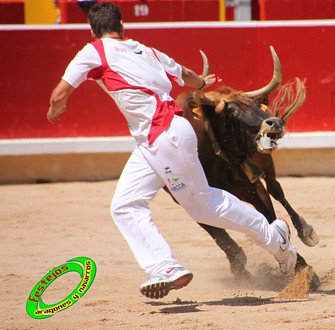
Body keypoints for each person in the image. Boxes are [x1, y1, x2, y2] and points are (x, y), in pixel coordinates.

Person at [47, 2, 297, 299]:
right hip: (154, 139)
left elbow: (60, 92)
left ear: (92, 30)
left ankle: (275, 237)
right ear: (123, 25)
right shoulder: (146, 50)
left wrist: (55, 107)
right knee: (125, 205)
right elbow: (188, 75)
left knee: (202, 204)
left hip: (163, 134)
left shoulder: (94, 51)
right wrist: (202, 83)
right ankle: (164, 267)